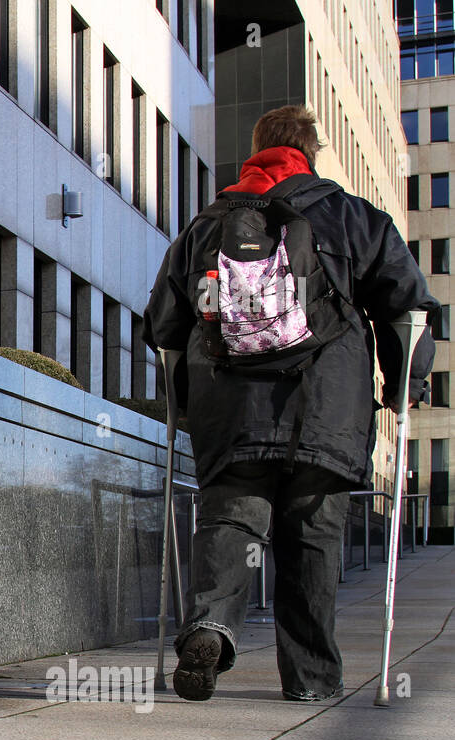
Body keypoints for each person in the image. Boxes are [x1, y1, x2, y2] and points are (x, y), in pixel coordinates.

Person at [143, 104, 436, 702]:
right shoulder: (353, 217)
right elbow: (406, 307)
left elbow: (164, 326)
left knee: (230, 520)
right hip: (326, 410)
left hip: (231, 410)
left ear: (257, 150)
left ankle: (210, 628)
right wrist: (404, 385)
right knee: (312, 539)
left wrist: (186, 404)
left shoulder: (207, 226)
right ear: (310, 153)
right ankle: (311, 680)